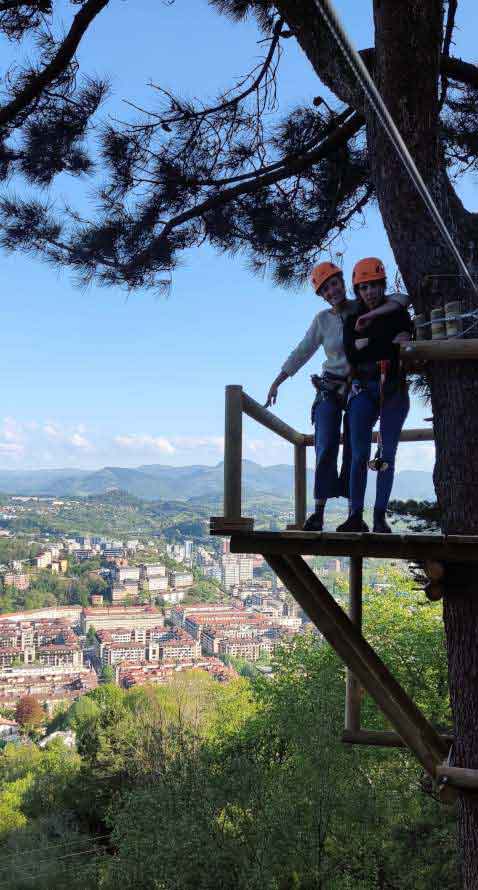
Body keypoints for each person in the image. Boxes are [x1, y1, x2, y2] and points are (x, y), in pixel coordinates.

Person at [265, 260, 410, 531]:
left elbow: (401, 300)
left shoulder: (361, 306)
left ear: (344, 283)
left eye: (334, 284)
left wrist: (376, 318)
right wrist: (278, 381)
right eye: (325, 289)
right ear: (321, 295)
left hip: (359, 385)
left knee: (357, 450)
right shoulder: (322, 320)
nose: (332, 291)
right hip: (331, 387)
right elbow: (302, 351)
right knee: (326, 445)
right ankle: (319, 511)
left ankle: (355, 514)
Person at [337, 257, 413, 534]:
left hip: (393, 389)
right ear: (358, 291)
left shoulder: (397, 313)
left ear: (382, 286)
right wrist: (386, 344)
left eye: (374, 285)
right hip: (363, 389)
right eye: (363, 287)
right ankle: (355, 515)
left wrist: (370, 344)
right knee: (358, 455)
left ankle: (380, 516)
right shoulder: (352, 320)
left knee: (387, 454)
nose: (369, 292)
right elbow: (353, 354)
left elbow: (401, 344)